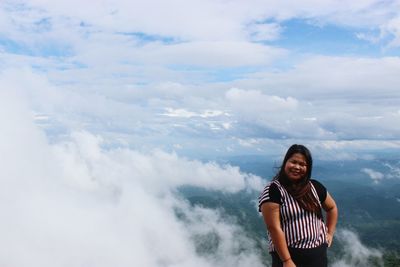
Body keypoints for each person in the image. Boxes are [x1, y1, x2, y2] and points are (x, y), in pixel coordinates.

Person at [259, 144, 338, 267]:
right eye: (293, 162)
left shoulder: (314, 187)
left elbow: (332, 208)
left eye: (302, 164)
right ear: (286, 162)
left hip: (318, 255)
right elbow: (273, 228)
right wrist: (286, 260)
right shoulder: (274, 190)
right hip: (289, 256)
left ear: (308, 168)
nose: (297, 167)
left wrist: (330, 233)